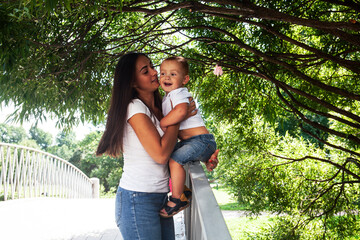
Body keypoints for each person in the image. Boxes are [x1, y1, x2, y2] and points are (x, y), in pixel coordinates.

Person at [96, 52, 218, 240]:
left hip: (160, 196)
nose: (155, 72)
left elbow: (179, 146)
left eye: (153, 66)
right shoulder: (134, 107)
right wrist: (178, 118)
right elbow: (161, 155)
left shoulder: (162, 107)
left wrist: (205, 154)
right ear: (132, 82)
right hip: (137, 200)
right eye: (146, 71)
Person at [159, 56, 217, 218]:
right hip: (193, 143)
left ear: (185, 79)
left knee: (175, 160)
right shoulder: (168, 97)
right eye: (163, 73)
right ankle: (181, 188)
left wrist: (162, 123)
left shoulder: (178, 93)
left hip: (201, 140)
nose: (166, 77)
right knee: (165, 157)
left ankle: (178, 199)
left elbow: (181, 111)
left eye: (173, 74)